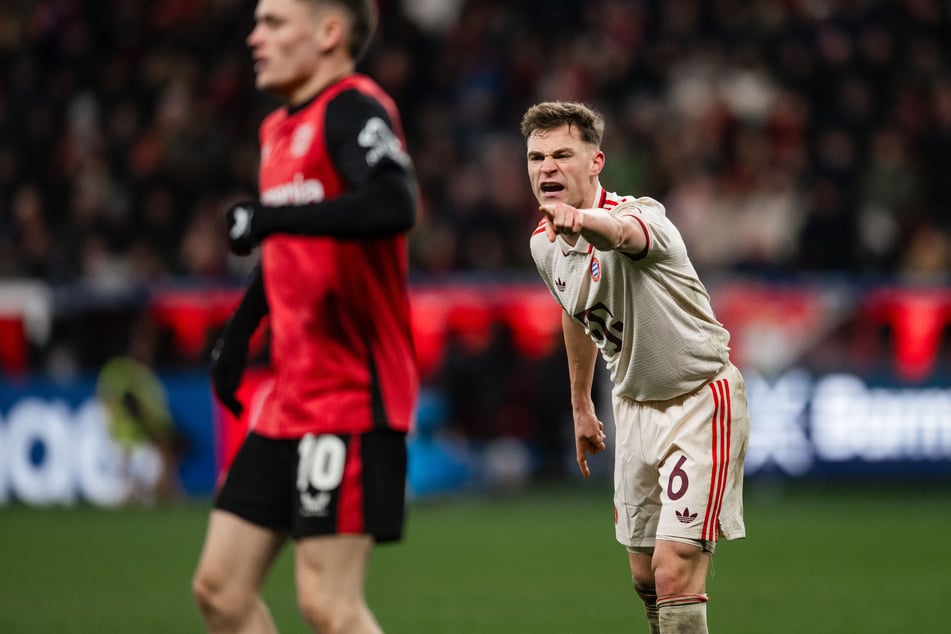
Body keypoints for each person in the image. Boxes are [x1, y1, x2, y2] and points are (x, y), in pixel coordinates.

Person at [191, 1, 419, 632]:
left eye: (273, 22)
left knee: (328, 603)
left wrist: (272, 217)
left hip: (351, 395)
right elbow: (289, 247)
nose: (254, 37)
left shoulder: (352, 108)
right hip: (290, 397)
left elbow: (393, 201)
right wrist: (239, 335)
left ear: (328, 32)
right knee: (221, 589)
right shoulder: (276, 130)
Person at [523, 101, 750, 633]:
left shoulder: (643, 215)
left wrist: (580, 220)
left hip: (699, 400)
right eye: (536, 157)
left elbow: (620, 237)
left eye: (562, 155)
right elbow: (575, 312)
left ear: (595, 161)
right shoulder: (545, 245)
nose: (547, 168)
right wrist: (581, 404)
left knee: (674, 572)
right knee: (645, 576)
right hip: (633, 409)